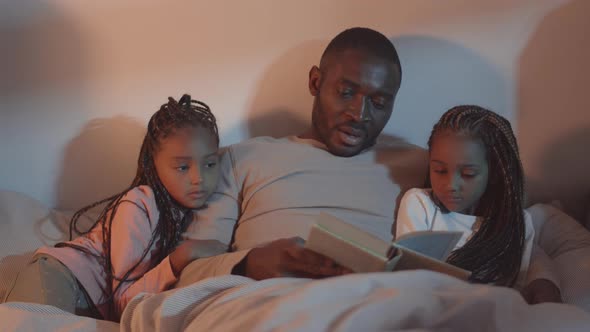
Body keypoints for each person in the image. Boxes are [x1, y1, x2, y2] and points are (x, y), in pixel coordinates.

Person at [176, 27, 428, 285]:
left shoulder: (427, 167)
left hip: (382, 308)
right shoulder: (242, 158)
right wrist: (249, 264)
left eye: (379, 103)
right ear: (315, 82)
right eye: (346, 93)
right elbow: (189, 274)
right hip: (269, 303)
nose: (359, 114)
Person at [6, 94, 228, 320]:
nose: (199, 177)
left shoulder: (181, 213)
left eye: (210, 164)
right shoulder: (138, 203)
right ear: (153, 163)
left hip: (87, 306)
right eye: (182, 167)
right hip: (57, 276)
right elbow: (123, 300)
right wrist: (180, 258)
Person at [396, 105, 562, 303]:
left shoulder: (516, 224)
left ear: (493, 174)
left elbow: (523, 283)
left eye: (468, 174)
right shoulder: (420, 204)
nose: (450, 185)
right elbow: (410, 276)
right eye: (440, 170)